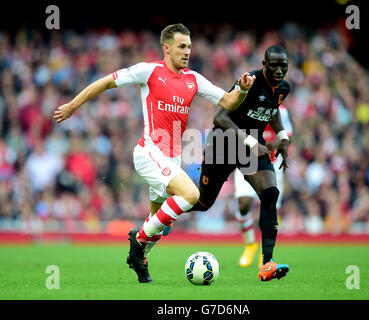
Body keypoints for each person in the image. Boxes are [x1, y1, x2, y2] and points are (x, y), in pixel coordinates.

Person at [53, 23, 255, 283]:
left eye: (190, 47)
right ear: (166, 48)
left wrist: (242, 89)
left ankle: (140, 259)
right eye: (182, 47)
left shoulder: (194, 79)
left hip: (171, 159)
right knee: (191, 194)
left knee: (160, 225)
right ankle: (137, 242)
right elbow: (105, 82)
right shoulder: (148, 71)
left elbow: (228, 101)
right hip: (148, 152)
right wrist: (72, 105)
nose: (187, 52)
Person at [166, 44, 291, 281]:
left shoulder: (283, 88)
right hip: (223, 143)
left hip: (251, 146)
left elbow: (272, 109)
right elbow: (220, 117)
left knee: (270, 192)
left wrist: (282, 136)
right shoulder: (248, 82)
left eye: (283, 66)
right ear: (263, 64)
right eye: (273, 65)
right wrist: (252, 144)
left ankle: (267, 264)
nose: (278, 70)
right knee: (203, 202)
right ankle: (166, 210)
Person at [233, 104, 293, 269]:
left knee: (268, 206)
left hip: (272, 162)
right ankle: (250, 244)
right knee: (243, 204)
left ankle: (265, 253)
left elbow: (288, 136)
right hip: (246, 159)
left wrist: (275, 143)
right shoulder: (245, 104)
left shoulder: (281, 110)